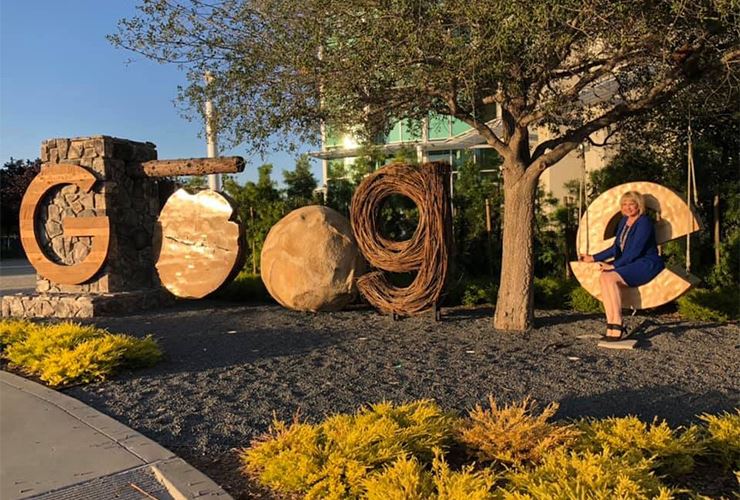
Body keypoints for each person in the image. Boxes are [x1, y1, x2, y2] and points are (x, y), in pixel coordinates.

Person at [579, 191, 664, 341]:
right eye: (624, 204)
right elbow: (615, 248)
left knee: (610, 277)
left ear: (639, 206)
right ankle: (611, 323)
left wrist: (614, 266)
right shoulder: (624, 222)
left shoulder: (644, 222)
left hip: (646, 263)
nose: (627, 207)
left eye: (631, 204)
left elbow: (635, 250)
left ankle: (618, 322)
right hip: (630, 262)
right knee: (604, 277)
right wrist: (593, 258)